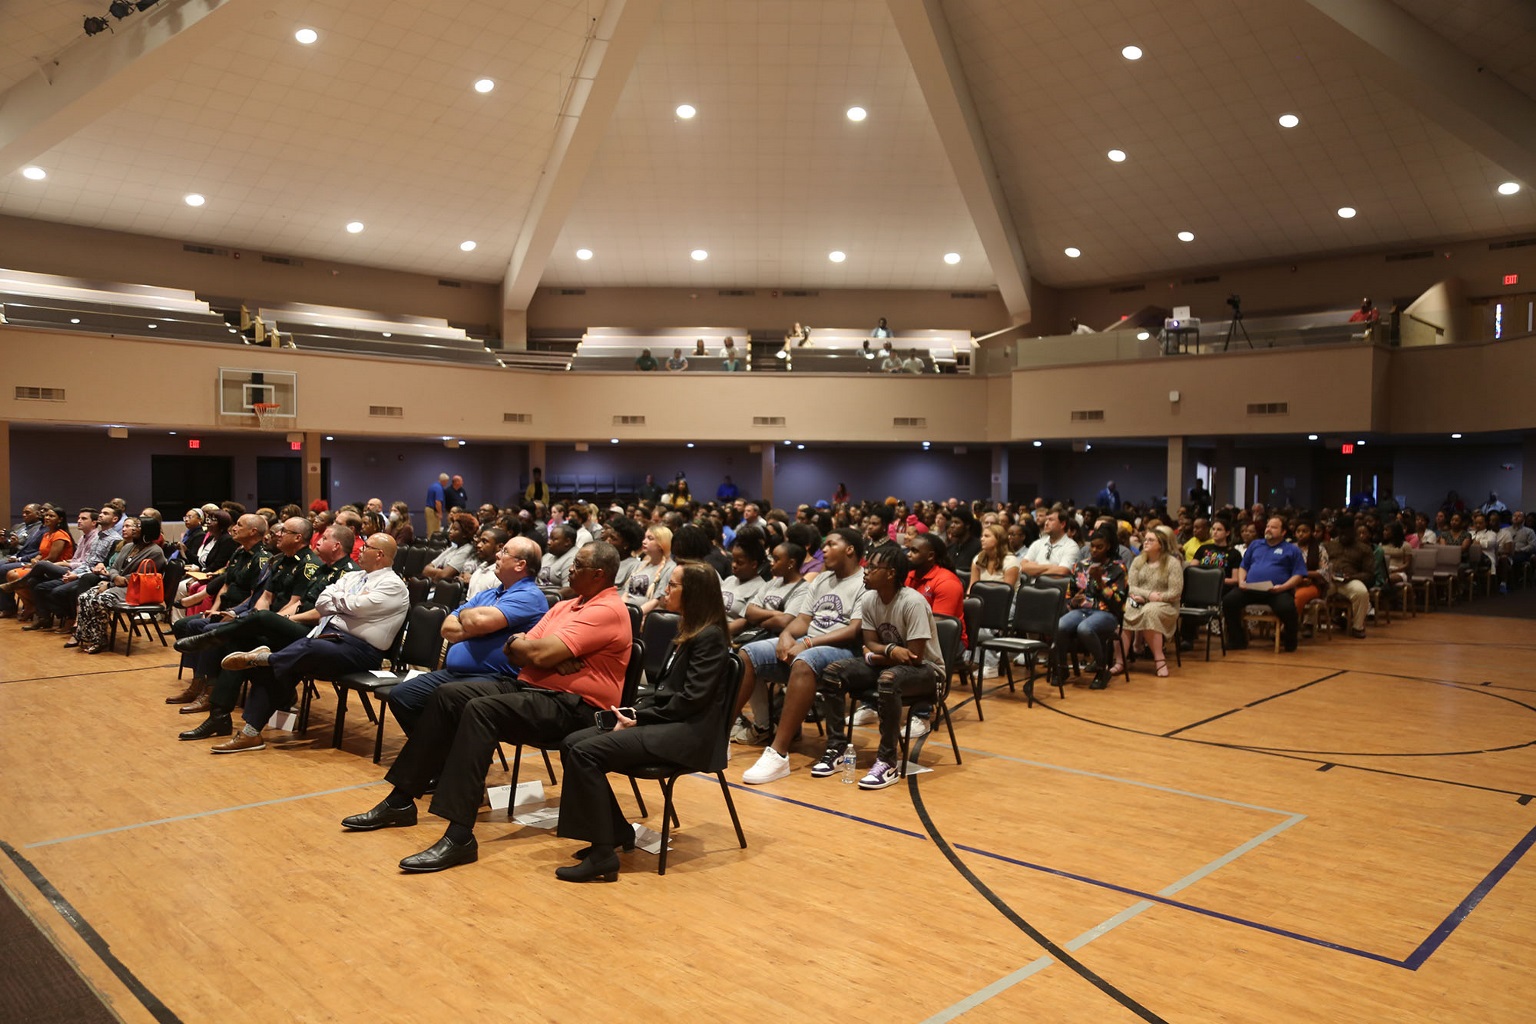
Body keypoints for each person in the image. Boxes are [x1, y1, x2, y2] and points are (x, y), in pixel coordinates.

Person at [338, 542, 631, 873]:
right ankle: (401, 801)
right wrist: (537, 651)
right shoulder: (566, 606)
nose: (569, 569)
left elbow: (536, 653)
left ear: (598, 574)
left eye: (577, 565)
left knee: (480, 710)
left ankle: (460, 835)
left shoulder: (605, 610)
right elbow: (518, 647)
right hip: (534, 688)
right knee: (449, 695)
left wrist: (538, 652)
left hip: (575, 707)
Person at [554, 560, 730, 882]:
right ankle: (617, 830)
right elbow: (666, 692)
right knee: (570, 744)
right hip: (670, 722)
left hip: (690, 734)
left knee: (586, 752)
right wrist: (636, 711)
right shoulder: (687, 631)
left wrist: (638, 717)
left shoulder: (710, 637)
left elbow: (691, 701)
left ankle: (603, 854)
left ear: (693, 593)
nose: (666, 590)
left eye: (673, 585)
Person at [211, 534, 408, 753]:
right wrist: (342, 603)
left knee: (308, 649)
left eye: (366, 547)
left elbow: (357, 607)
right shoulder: (354, 577)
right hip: (329, 638)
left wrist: (339, 602)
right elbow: (322, 602)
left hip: (360, 651)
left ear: (379, 554)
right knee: (283, 666)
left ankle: (263, 658)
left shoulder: (394, 585)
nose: (360, 551)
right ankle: (250, 733)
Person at [172, 523, 358, 739]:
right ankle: (219, 716)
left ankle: (213, 636)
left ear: (336, 546)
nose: (318, 540)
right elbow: (294, 602)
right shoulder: (322, 568)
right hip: (292, 625)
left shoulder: (347, 574)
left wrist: (278, 619)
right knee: (236, 645)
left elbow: (321, 613)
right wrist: (275, 620)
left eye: (324, 538)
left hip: (314, 634)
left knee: (258, 619)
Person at [738, 530, 866, 785]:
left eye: (831, 544)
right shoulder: (821, 579)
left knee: (804, 660)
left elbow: (854, 630)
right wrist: (786, 636)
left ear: (850, 549)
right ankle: (720, 739)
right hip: (808, 642)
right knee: (747, 653)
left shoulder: (864, 581)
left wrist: (806, 642)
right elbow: (803, 620)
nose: (823, 550)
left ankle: (778, 753)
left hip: (844, 650)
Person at [813, 544, 944, 790]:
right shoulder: (870, 599)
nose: (866, 571)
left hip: (928, 672)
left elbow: (915, 656)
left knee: (888, 679)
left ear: (891, 573)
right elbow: (871, 642)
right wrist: (889, 651)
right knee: (832, 673)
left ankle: (887, 761)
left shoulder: (912, 602)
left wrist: (875, 655)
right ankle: (837, 748)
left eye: (873, 567)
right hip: (888, 666)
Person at [386, 535, 548, 732]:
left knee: (445, 697)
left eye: (505, 552)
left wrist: (469, 618)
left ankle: (439, 754)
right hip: (457, 674)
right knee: (402, 695)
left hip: (497, 679)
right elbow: (447, 628)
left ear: (520, 564)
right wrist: (476, 626)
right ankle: (436, 753)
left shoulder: (529, 596)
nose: (497, 554)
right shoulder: (488, 594)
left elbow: (479, 621)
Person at [64, 517, 168, 654]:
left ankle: (100, 639)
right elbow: (113, 567)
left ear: (147, 530)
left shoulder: (155, 552)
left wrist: (112, 583)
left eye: (138, 526)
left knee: (99, 600)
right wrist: (114, 578)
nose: (134, 529)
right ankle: (83, 635)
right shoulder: (128, 546)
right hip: (117, 584)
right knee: (84, 597)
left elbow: (141, 577)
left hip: (135, 590)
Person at [1221, 516, 1309, 652]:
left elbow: (1298, 574)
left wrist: (1283, 587)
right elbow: (1243, 566)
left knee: (1287, 608)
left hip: (1277, 590)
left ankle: (1290, 640)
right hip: (1251, 588)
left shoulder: (1292, 549)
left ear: (1283, 532)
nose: (1269, 529)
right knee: (1229, 602)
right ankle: (1237, 640)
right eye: (1268, 526)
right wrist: (1242, 581)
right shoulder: (1256, 545)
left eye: (1273, 527)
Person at [1054, 527, 1128, 689]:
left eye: (1099, 547)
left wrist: (1099, 582)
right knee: (1060, 625)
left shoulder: (1117, 569)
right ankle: (1063, 668)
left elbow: (1118, 602)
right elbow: (1069, 596)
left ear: (1108, 546)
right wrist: (1073, 601)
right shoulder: (1081, 566)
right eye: (1092, 546)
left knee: (1085, 629)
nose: (1094, 550)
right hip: (1081, 610)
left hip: (1107, 613)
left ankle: (1102, 669)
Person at [1120, 526, 1182, 677]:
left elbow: (1175, 592)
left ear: (1160, 544)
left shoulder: (1172, 563)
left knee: (1150, 611)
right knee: (1125, 609)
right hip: (1140, 600)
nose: (1146, 542)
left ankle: (1159, 660)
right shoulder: (1138, 561)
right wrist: (1148, 596)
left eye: (1151, 540)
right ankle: (1120, 661)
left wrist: (1153, 598)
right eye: (1145, 539)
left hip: (1166, 604)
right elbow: (1131, 587)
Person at [1325, 514, 1375, 638]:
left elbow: (1369, 574)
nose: (1343, 536)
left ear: (1353, 531)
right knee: (1314, 590)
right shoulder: (1329, 545)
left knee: (1361, 592)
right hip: (1329, 580)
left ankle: (1358, 627)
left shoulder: (1364, 549)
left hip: (1350, 580)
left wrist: (1352, 577)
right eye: (1340, 533)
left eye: (1346, 533)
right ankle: (1308, 624)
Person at [424, 473, 449, 537]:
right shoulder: (439, 488)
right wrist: (440, 513)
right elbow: (438, 502)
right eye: (446, 481)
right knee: (434, 531)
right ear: (444, 481)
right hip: (433, 511)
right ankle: (433, 545)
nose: (446, 483)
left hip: (429, 509)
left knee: (430, 529)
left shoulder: (433, 486)